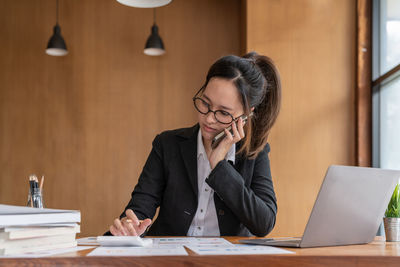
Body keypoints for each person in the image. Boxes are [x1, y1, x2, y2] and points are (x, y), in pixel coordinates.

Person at [107, 51, 281, 237]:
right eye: (205, 103)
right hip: (170, 259)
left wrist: (220, 167)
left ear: (246, 115)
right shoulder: (168, 144)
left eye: (223, 113)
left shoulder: (254, 152)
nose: (208, 118)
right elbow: (141, 206)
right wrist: (130, 224)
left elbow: (264, 223)